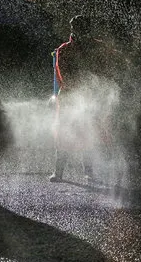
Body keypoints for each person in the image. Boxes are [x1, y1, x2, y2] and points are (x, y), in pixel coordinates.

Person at [49, 15, 124, 182]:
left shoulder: (98, 47)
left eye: (84, 27)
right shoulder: (64, 49)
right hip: (70, 97)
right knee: (64, 133)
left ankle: (88, 172)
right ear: (73, 29)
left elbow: (107, 68)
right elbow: (63, 74)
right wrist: (80, 89)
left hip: (91, 96)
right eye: (78, 27)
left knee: (89, 132)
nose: (81, 31)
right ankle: (59, 171)